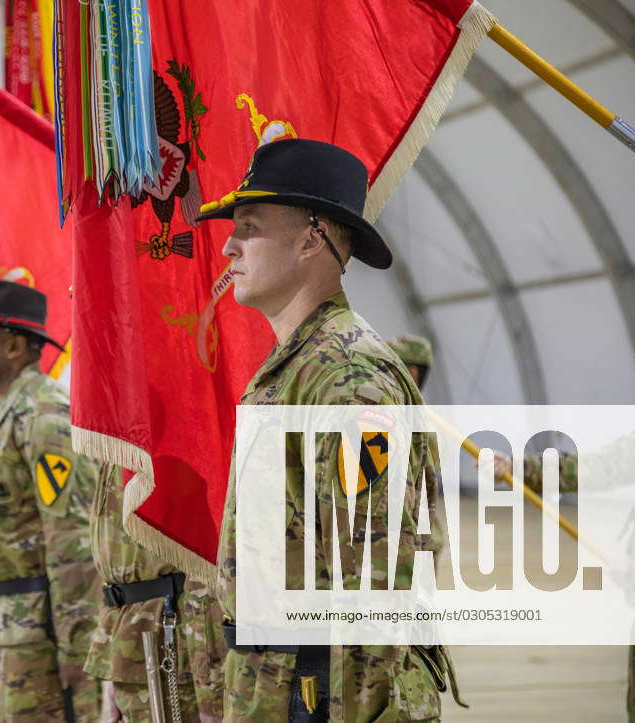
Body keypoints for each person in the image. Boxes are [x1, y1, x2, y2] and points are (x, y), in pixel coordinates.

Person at [196, 138, 455, 721]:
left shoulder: (347, 378)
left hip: (322, 695)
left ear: (312, 237)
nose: (229, 246)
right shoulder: (298, 365)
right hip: (283, 687)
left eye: (249, 226)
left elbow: (375, 586)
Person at [0, 280, 102, 721]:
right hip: (11, 622)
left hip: (40, 628)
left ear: (15, 347)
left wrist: (76, 643)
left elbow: (71, 534)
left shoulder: (43, 413)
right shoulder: (7, 410)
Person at [85, 464, 225, 721]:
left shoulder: (177, 434)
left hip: (175, 642)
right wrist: (113, 666)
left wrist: (212, 689)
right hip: (131, 642)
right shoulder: (124, 435)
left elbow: (208, 561)